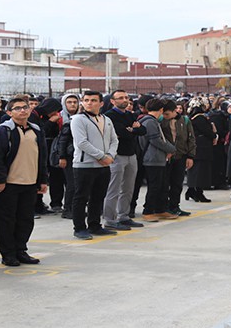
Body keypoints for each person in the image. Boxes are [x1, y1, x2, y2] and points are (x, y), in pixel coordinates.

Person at [0, 98, 48, 266]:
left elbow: (41, 157)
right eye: (17, 108)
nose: (22, 111)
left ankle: (21, 250)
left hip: (30, 183)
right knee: (7, 220)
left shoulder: (36, 130)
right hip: (9, 183)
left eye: (25, 107)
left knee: (25, 219)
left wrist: (42, 180)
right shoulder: (4, 130)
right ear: (9, 113)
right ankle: (8, 254)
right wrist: (0, 180)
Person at [70, 91, 119, 239]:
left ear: (101, 103)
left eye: (93, 100)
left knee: (98, 196)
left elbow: (114, 140)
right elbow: (82, 142)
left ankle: (94, 225)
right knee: (81, 197)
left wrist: (110, 156)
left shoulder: (106, 119)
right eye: (86, 100)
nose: (89, 103)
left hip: (103, 165)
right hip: (84, 165)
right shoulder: (78, 119)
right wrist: (101, 156)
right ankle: (79, 228)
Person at [102, 90, 146, 230]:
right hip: (117, 155)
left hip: (131, 154)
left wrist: (132, 130)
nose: (125, 100)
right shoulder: (109, 116)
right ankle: (109, 219)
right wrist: (132, 130)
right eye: (120, 98)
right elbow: (121, 133)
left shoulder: (131, 115)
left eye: (126, 97)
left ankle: (124, 216)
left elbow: (143, 130)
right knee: (114, 188)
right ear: (113, 101)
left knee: (128, 188)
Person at [138, 98, 178, 222]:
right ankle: (148, 211)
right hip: (152, 159)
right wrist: (171, 148)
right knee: (154, 186)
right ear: (161, 109)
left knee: (161, 185)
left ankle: (160, 209)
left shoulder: (152, 121)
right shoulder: (150, 122)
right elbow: (155, 140)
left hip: (158, 158)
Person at [161, 99, 196, 214]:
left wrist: (190, 156)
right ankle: (164, 207)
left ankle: (175, 206)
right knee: (164, 183)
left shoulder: (185, 120)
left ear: (174, 110)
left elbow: (191, 139)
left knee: (177, 183)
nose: (165, 116)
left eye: (167, 114)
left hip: (181, 156)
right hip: (166, 157)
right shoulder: (161, 120)